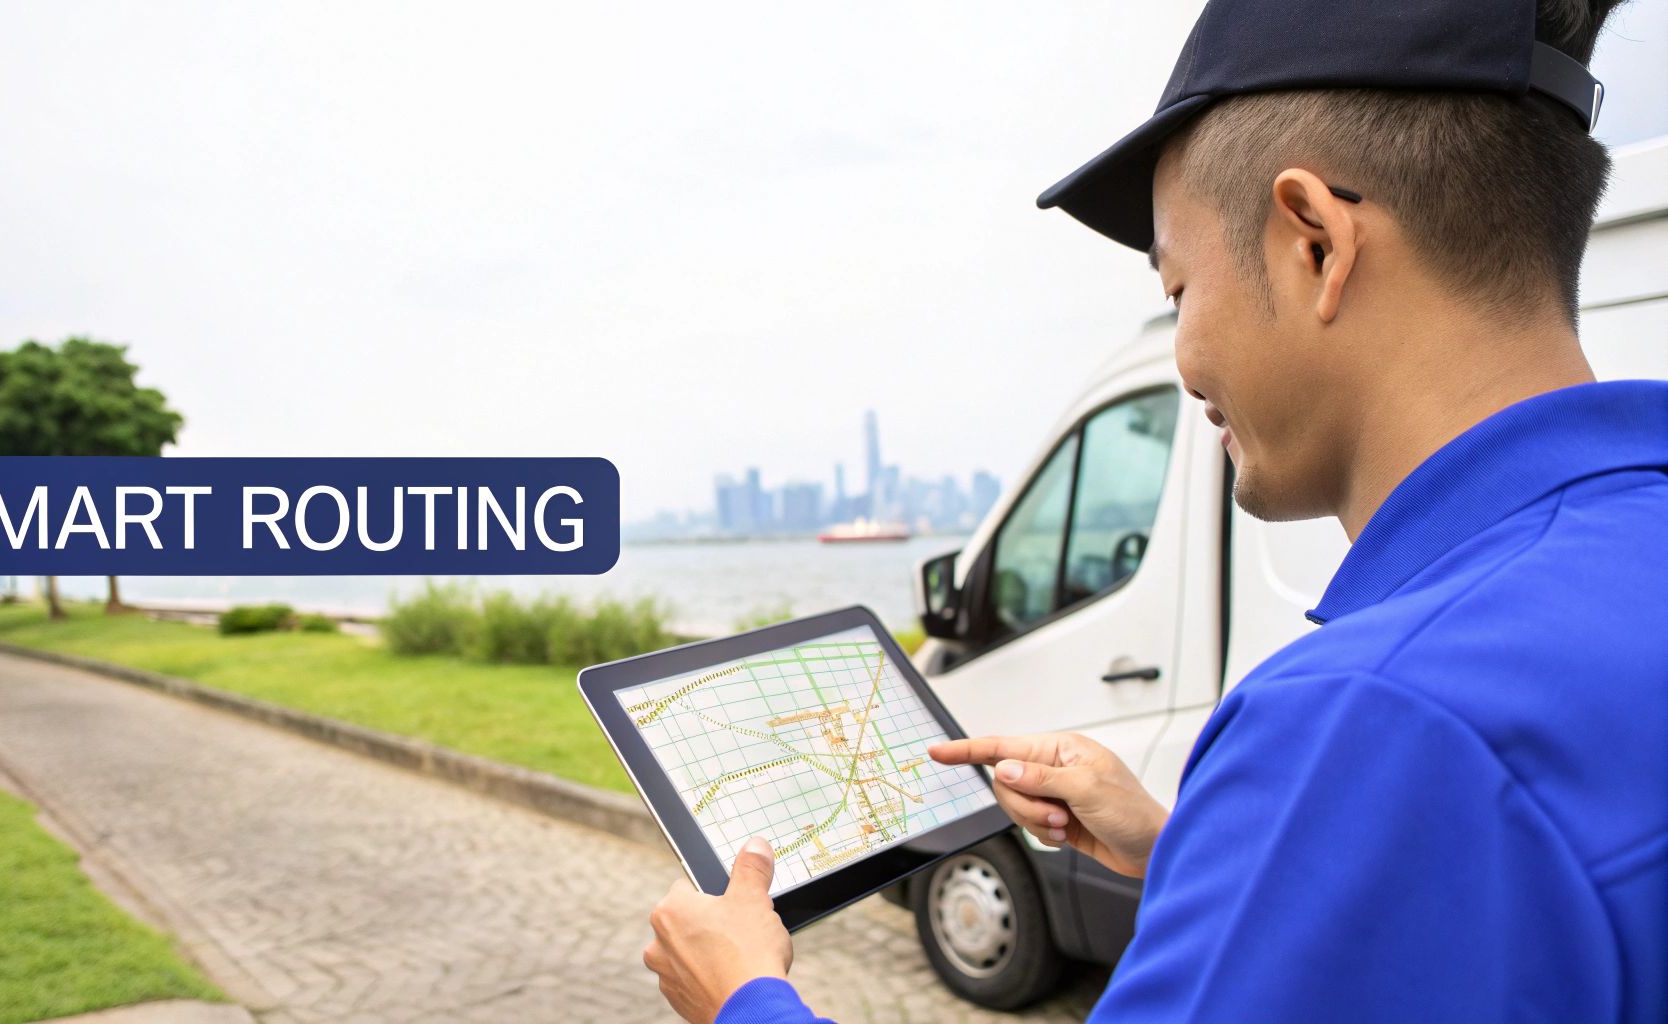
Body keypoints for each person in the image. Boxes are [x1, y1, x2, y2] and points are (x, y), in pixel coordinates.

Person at [640, 0, 1668, 1020]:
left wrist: (743, 997)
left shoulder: (1371, 720)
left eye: (1178, 293)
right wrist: (1208, 854)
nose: (1182, 360)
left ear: (1314, 241)